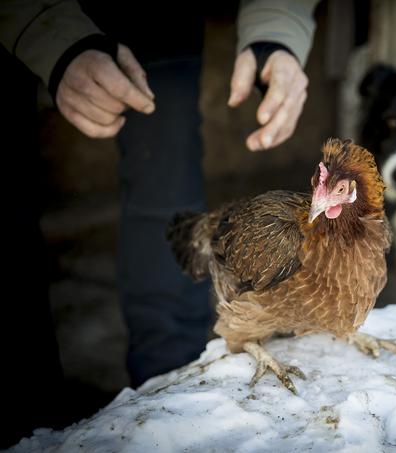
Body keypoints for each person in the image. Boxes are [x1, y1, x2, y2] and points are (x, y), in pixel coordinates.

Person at [0, 0, 318, 445]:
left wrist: (277, 32)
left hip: (158, 18)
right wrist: (46, 33)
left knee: (165, 175)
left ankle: (172, 410)